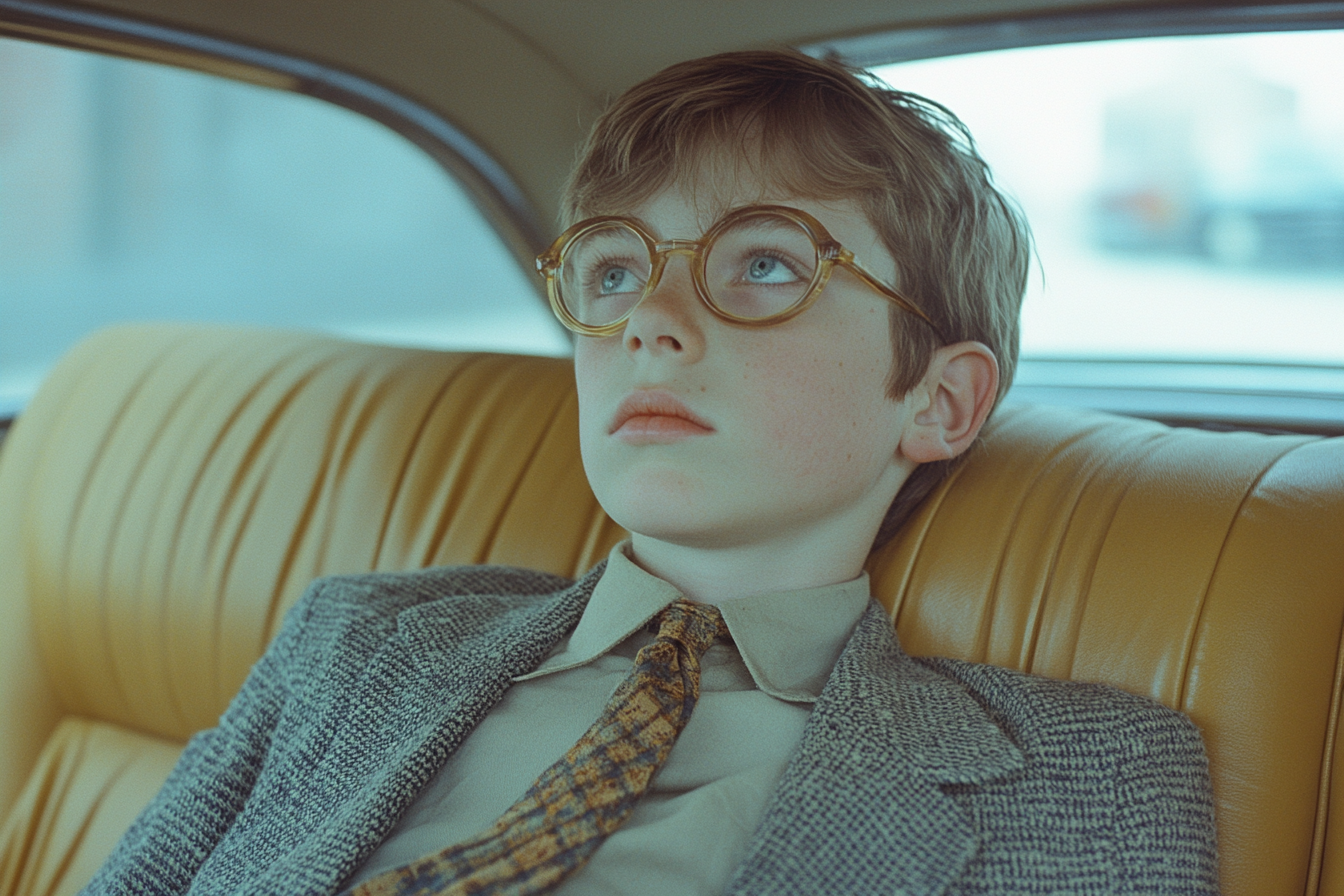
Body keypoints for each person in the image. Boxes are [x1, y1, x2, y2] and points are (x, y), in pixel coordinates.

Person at [83, 50, 1219, 895]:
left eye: (765, 261)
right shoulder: (360, 636)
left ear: (940, 399)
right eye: (615, 269)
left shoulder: (1100, 782)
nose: (651, 323)